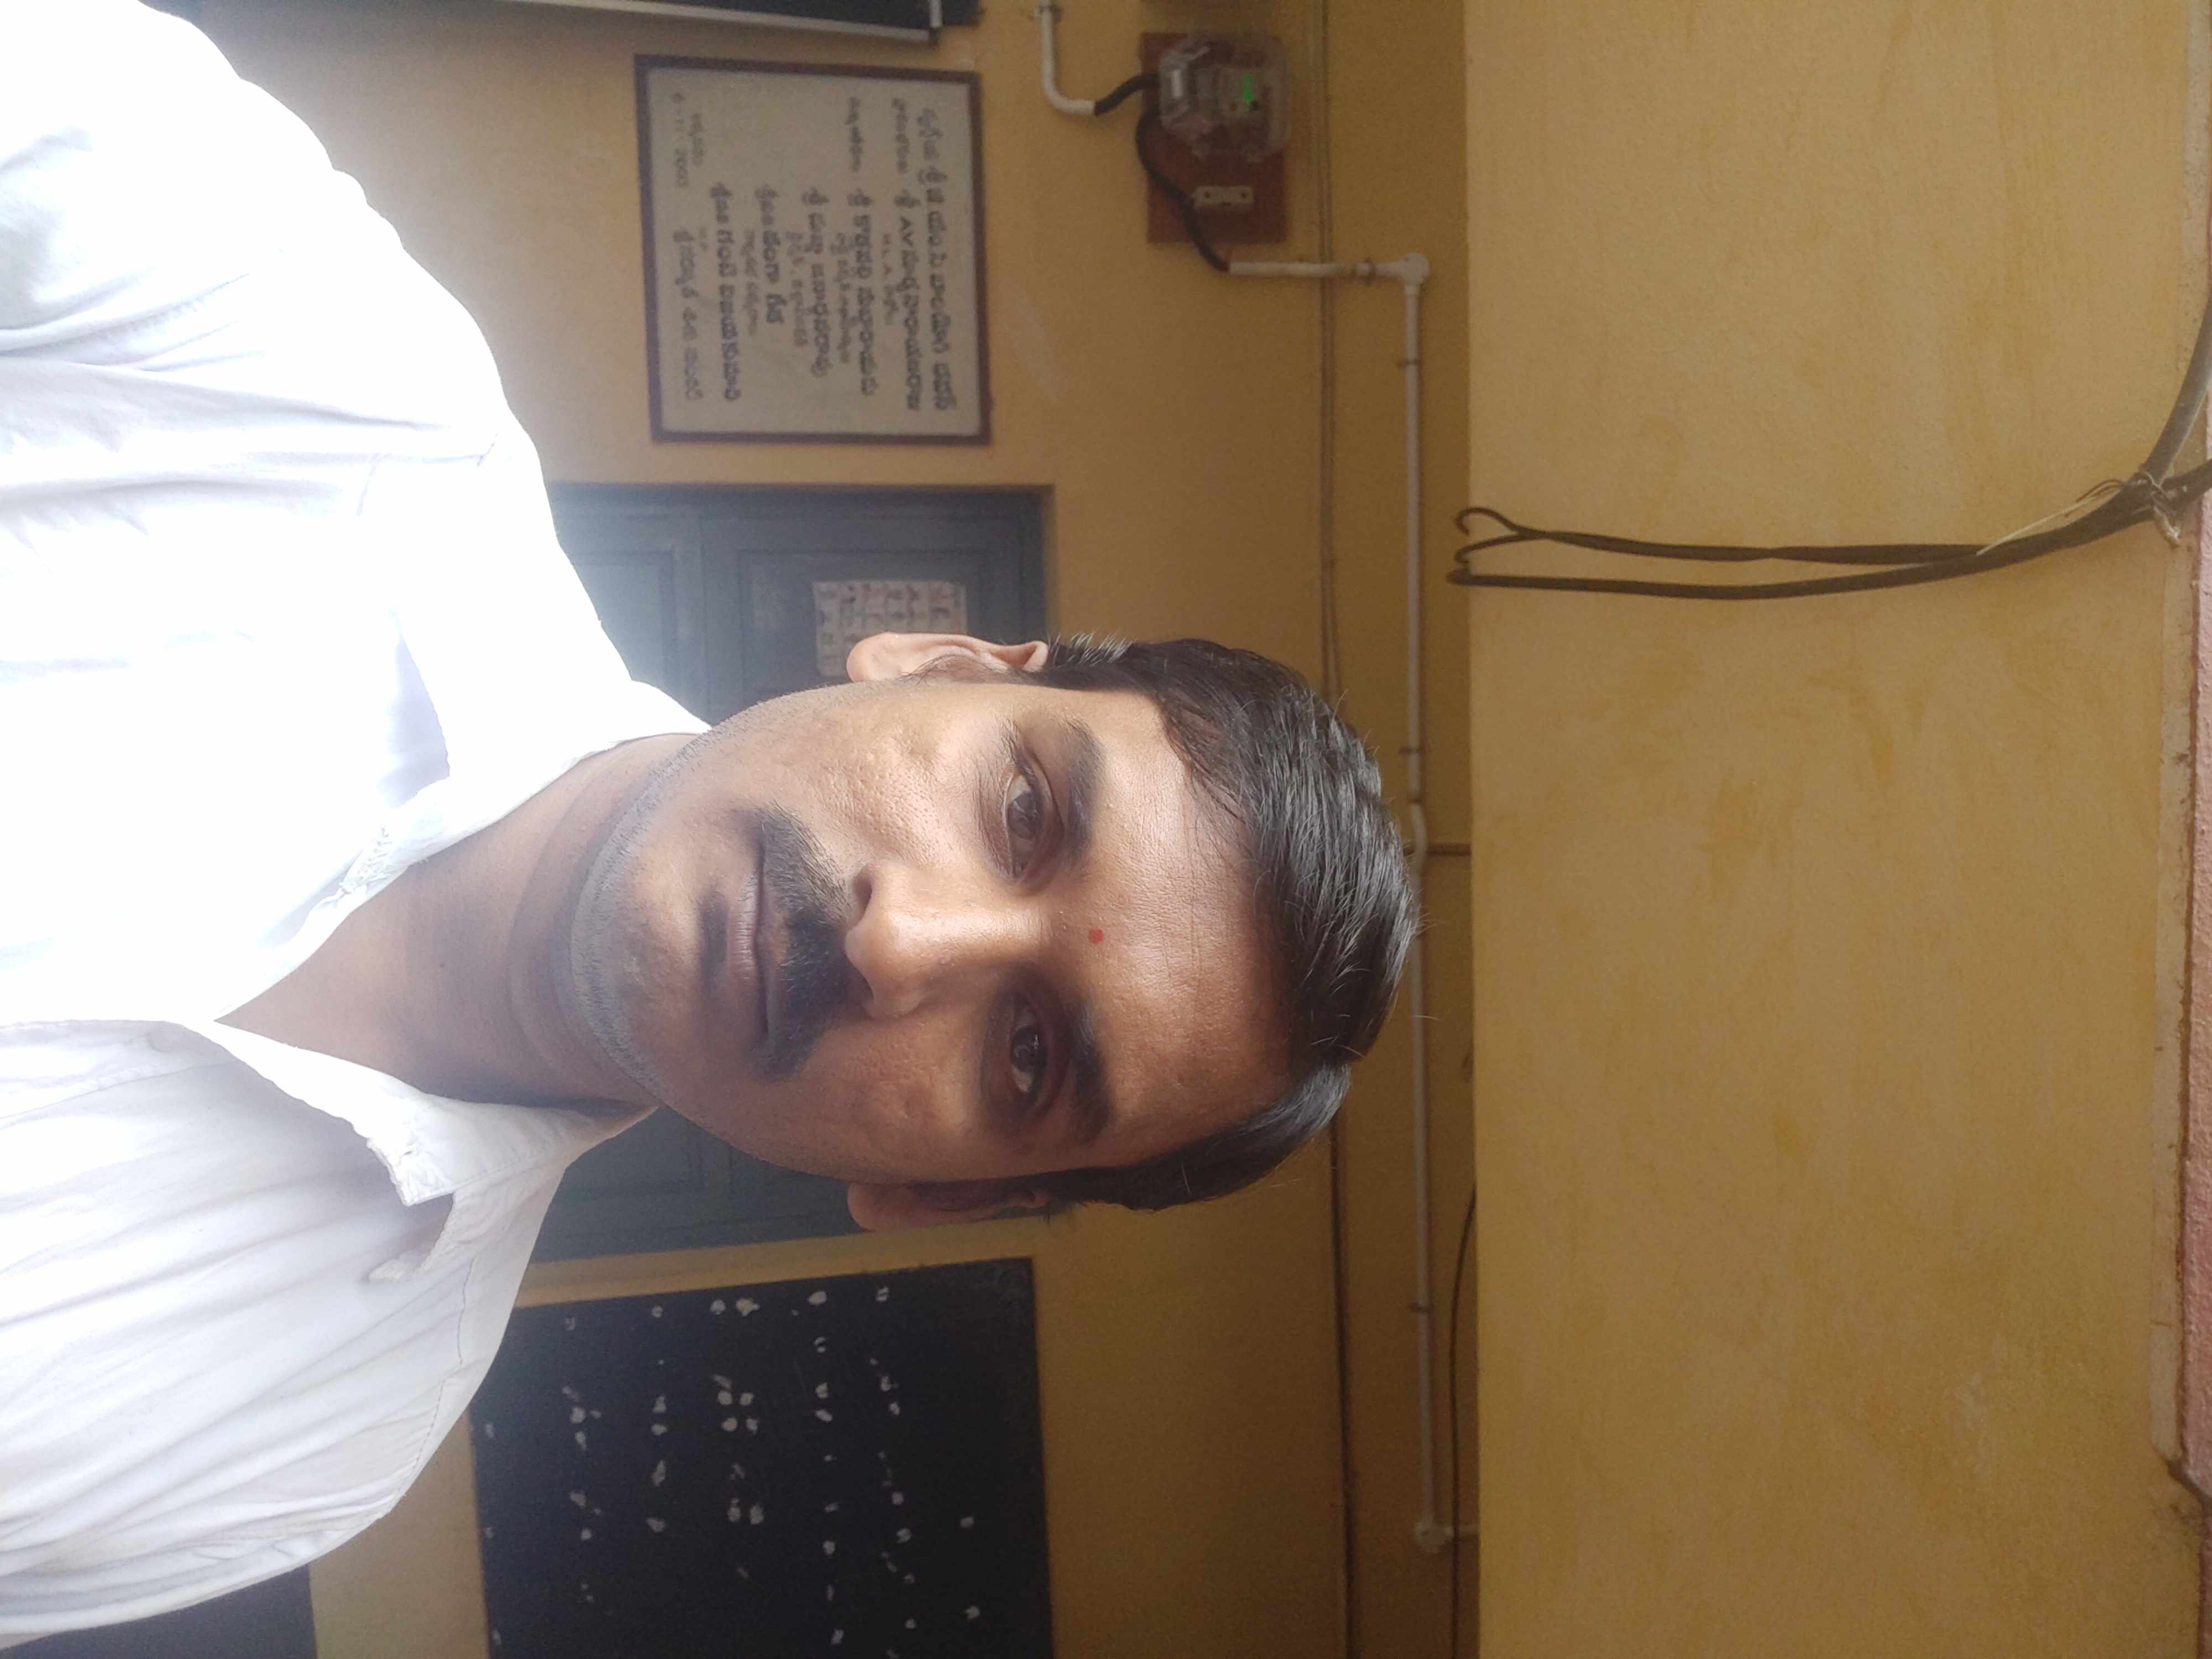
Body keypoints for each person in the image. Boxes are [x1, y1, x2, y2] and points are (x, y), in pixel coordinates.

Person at [0, 0, 1413, 1644]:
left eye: (1030, 1055)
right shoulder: (284, 350)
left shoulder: (302, 1445)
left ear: (937, 1200)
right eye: (1024, 809)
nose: (902, 943)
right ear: (934, 661)